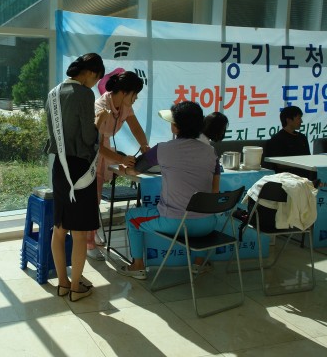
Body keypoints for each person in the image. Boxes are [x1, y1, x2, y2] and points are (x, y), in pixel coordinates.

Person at [120, 101, 221, 279]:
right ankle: (199, 263)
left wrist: (124, 170)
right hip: (207, 225)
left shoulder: (163, 149)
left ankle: (137, 266)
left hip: (174, 222)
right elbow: (215, 190)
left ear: (175, 127)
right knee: (201, 214)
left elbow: (135, 169)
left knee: (131, 217)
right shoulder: (211, 152)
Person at [44, 53, 105, 301]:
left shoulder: (53, 93)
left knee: (59, 229)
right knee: (79, 233)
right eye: (97, 78)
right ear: (90, 72)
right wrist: (99, 123)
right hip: (80, 169)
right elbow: (89, 137)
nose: (95, 84)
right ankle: (76, 288)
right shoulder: (84, 94)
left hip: (60, 167)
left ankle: (62, 283)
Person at [86, 69, 147, 261]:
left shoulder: (124, 106)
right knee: (92, 200)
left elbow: (136, 127)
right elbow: (95, 145)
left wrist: (145, 146)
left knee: (95, 198)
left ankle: (91, 233)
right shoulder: (100, 107)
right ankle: (88, 243)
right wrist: (121, 159)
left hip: (104, 151)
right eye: (135, 94)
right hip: (91, 155)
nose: (136, 98)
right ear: (124, 92)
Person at [263, 105, 311, 178]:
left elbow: (308, 158)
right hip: (286, 177)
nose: (301, 121)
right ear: (289, 120)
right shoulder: (276, 139)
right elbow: (280, 164)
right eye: (299, 118)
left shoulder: (302, 137)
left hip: (305, 176)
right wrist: (301, 163)